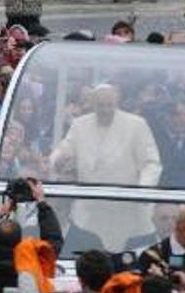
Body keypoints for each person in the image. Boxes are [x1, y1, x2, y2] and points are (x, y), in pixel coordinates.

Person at [49, 83, 162, 250]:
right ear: (92, 105)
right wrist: (58, 160)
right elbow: (63, 151)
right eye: (101, 105)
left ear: (117, 103)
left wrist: (142, 190)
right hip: (89, 214)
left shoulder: (136, 125)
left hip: (126, 211)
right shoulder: (80, 125)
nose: (106, 110)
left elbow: (151, 163)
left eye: (110, 105)